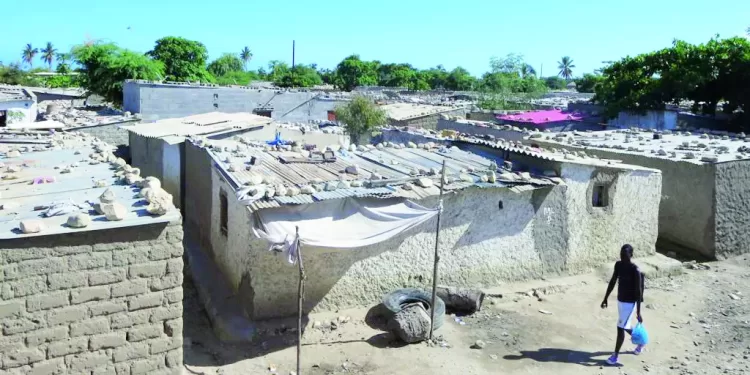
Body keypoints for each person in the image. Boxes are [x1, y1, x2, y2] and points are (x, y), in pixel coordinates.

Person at [600, 244, 645, 366]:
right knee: (625, 325)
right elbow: (613, 281)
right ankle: (641, 341)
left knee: (620, 327)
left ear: (631, 255)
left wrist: (638, 312)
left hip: (630, 304)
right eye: (621, 254)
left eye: (625, 255)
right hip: (620, 301)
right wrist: (605, 298)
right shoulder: (618, 265)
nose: (622, 257)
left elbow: (638, 291)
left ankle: (615, 356)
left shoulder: (635, 269)